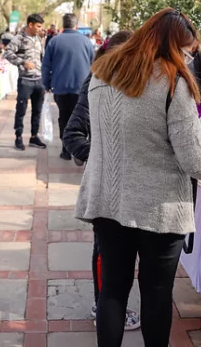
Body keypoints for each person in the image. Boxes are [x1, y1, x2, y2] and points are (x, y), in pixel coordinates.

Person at [74, 8, 201, 347]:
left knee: (113, 289)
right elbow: (195, 159)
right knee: (156, 292)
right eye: (186, 50)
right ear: (172, 46)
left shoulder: (103, 72)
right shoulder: (173, 81)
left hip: (107, 200)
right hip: (159, 207)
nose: (189, 57)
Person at [62, 30, 140, 331]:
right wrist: (100, 158)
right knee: (104, 250)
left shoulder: (143, 84)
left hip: (134, 186)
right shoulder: (95, 81)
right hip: (105, 187)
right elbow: (72, 134)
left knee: (122, 254)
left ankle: (112, 304)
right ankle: (101, 305)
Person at [41, 13, 94, 160]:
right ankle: (79, 148)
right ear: (76, 26)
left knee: (64, 117)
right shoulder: (87, 42)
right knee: (81, 118)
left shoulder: (54, 42)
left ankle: (66, 150)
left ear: (63, 25)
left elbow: (46, 65)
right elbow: (94, 64)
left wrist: (46, 84)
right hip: (81, 88)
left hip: (61, 87)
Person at [4, 14, 48, 151]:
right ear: (30, 25)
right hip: (25, 81)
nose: (41, 29)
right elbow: (7, 53)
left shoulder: (38, 38)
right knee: (21, 110)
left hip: (39, 80)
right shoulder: (19, 38)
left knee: (37, 110)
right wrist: (23, 62)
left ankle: (34, 137)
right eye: (38, 26)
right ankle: (18, 137)